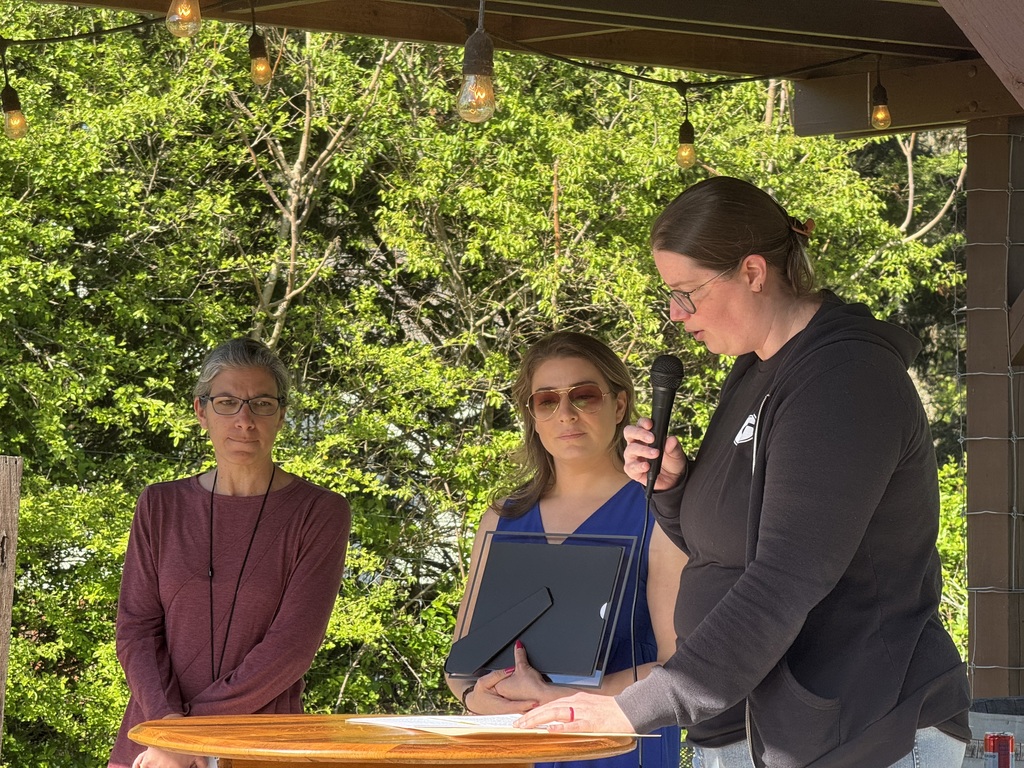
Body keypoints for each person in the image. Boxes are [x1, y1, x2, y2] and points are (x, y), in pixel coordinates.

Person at [516, 177, 971, 768]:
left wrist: (637, 705)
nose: (678, 316)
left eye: (687, 294)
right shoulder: (758, 369)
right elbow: (727, 551)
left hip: (862, 730)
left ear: (753, 272)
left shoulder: (843, 377)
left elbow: (787, 575)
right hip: (756, 730)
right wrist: (676, 489)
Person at [108, 337, 351, 768]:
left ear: (281, 415)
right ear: (201, 411)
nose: (244, 420)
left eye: (261, 403)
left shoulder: (320, 512)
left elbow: (291, 647)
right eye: (226, 402)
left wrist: (188, 739)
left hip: (259, 748)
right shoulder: (160, 505)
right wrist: (168, 732)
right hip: (153, 750)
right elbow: (136, 630)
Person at [447, 331, 686, 768]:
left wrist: (563, 698)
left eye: (584, 396)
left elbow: (678, 668)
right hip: (518, 746)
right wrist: (474, 698)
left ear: (618, 405)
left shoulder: (659, 510)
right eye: (546, 401)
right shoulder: (503, 517)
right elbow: (461, 664)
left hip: (618, 746)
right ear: (532, 416)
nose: (566, 414)